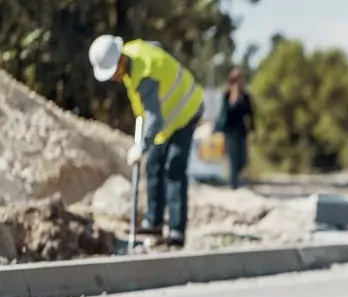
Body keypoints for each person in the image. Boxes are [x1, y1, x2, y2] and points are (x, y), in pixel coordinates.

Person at [88, 35, 205, 248]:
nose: (114, 78)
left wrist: (142, 145)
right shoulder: (133, 53)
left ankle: (177, 232)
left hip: (186, 110)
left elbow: (155, 117)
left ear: (119, 61)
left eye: (113, 72)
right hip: (167, 122)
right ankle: (154, 222)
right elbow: (157, 47)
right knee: (154, 164)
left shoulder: (144, 75)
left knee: (174, 168)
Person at [215, 67, 254, 189]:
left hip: (241, 131)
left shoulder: (246, 96)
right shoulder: (227, 95)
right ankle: (233, 185)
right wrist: (234, 98)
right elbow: (227, 112)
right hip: (230, 132)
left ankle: (235, 181)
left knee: (242, 160)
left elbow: (250, 113)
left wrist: (253, 128)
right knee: (233, 159)